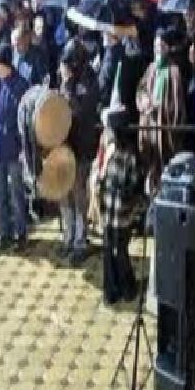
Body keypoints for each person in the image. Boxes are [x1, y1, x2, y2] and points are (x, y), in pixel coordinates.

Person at [59, 39, 101, 265]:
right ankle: (68, 236)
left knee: (79, 194)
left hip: (82, 144)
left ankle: (80, 241)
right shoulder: (68, 77)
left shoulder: (89, 78)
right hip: (65, 144)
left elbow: (81, 110)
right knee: (64, 193)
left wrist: (67, 86)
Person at [99, 107, 144, 304]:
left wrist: (127, 200)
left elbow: (135, 189)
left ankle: (128, 289)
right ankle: (112, 290)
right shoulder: (111, 151)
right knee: (108, 251)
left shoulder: (131, 157)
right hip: (108, 213)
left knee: (121, 252)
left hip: (122, 216)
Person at [0, 43, 30, 251]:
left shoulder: (21, 85)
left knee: (17, 193)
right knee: (0, 193)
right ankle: (5, 233)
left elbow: (25, 119)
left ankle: (21, 233)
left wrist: (23, 147)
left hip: (14, 146)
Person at [136, 26, 188, 185]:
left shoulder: (174, 71)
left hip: (164, 126)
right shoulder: (151, 68)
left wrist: (160, 109)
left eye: (161, 46)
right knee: (149, 160)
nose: (158, 49)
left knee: (164, 162)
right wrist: (144, 100)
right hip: (149, 123)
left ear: (167, 48)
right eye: (155, 46)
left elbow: (177, 102)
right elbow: (141, 88)